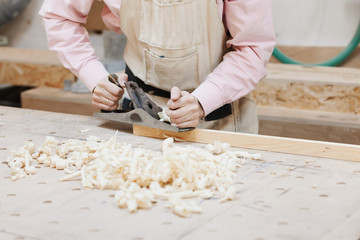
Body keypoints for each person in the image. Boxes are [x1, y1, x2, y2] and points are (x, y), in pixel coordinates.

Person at [39, 0, 276, 132]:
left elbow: (252, 48)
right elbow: (59, 16)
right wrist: (94, 76)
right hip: (139, 115)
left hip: (219, 118)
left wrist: (203, 101)